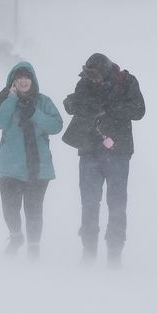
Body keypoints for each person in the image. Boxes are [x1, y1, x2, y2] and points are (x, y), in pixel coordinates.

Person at [62, 53, 145, 268]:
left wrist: (108, 109)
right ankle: (88, 252)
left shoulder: (127, 82)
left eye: (97, 77)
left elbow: (139, 111)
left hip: (119, 152)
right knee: (89, 203)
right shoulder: (84, 83)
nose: (94, 81)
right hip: (89, 150)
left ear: (107, 72)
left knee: (117, 204)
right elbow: (74, 105)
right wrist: (73, 104)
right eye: (90, 77)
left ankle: (115, 255)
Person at [0, 62, 63, 258]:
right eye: (19, 78)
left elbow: (56, 125)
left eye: (27, 77)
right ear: (13, 82)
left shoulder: (43, 102)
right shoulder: (6, 100)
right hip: (10, 166)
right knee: (10, 208)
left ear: (32, 80)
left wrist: (34, 114)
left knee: (33, 210)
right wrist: (10, 98)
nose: (24, 81)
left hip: (38, 166)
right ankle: (16, 236)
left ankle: (34, 247)